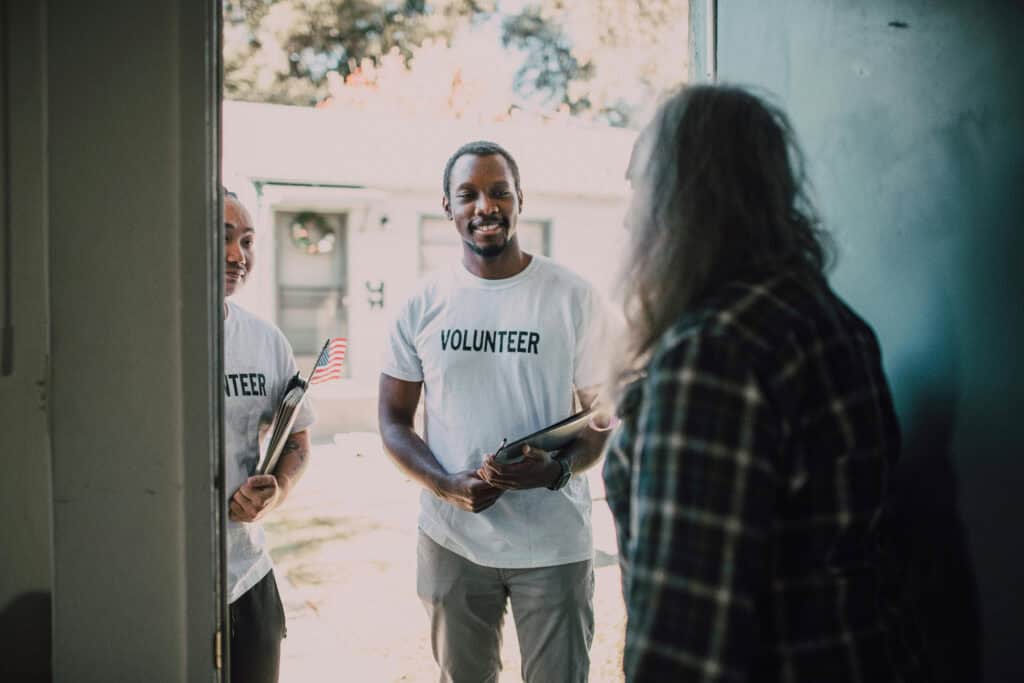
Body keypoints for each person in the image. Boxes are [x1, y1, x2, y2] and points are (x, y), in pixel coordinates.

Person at [603, 85, 918, 681]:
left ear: (681, 201)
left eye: (639, 187)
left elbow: (687, 642)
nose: (628, 214)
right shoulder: (829, 318)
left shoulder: (713, 352)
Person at [378, 140, 612, 683]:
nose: (485, 206)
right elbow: (392, 420)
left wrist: (556, 471)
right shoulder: (422, 303)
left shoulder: (572, 296)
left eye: (499, 192)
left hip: (554, 544)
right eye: (469, 194)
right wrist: (444, 484)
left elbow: (601, 415)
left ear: (520, 200)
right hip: (452, 540)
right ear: (448, 207)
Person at [222, 189, 314, 683]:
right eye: (224, 237)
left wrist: (276, 491)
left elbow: (298, 440)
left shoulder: (264, 341)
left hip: (248, 575)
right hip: (168, 577)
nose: (239, 256)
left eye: (249, 241)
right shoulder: (150, 339)